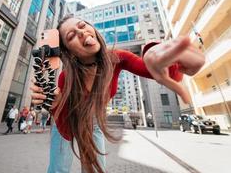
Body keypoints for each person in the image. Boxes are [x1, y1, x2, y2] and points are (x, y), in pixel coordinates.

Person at [31, 15, 205, 173]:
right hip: (68, 121)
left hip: (94, 122)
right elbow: (65, 125)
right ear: (69, 52)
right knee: (58, 169)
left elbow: (155, 69)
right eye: (71, 36)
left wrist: (161, 59)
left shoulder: (117, 57)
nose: (82, 32)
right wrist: (55, 107)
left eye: (83, 25)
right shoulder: (66, 77)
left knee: (96, 170)